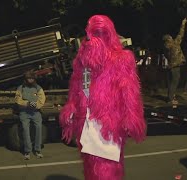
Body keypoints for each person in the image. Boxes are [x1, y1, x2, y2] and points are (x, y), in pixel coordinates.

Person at [59, 15, 146, 180]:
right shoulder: (82, 60)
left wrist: (131, 116)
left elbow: (129, 90)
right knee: (90, 167)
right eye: (89, 33)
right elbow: (76, 86)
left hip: (108, 125)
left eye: (97, 33)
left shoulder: (122, 58)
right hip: (85, 124)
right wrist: (71, 106)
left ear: (108, 35)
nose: (91, 38)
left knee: (107, 169)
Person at [15, 70, 46, 160]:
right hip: (24, 112)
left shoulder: (38, 88)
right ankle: (27, 151)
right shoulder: (20, 88)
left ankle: (37, 150)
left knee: (39, 128)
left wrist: (36, 105)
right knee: (25, 130)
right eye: (28, 78)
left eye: (32, 78)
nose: (30, 80)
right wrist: (27, 103)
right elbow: (17, 99)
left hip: (35, 112)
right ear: (25, 79)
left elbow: (42, 99)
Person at [163, 18, 187, 104]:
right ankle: (170, 99)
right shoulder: (175, 44)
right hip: (175, 67)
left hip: (170, 66)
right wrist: (183, 24)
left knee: (171, 83)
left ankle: (170, 97)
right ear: (169, 39)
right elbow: (181, 34)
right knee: (174, 82)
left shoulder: (166, 48)